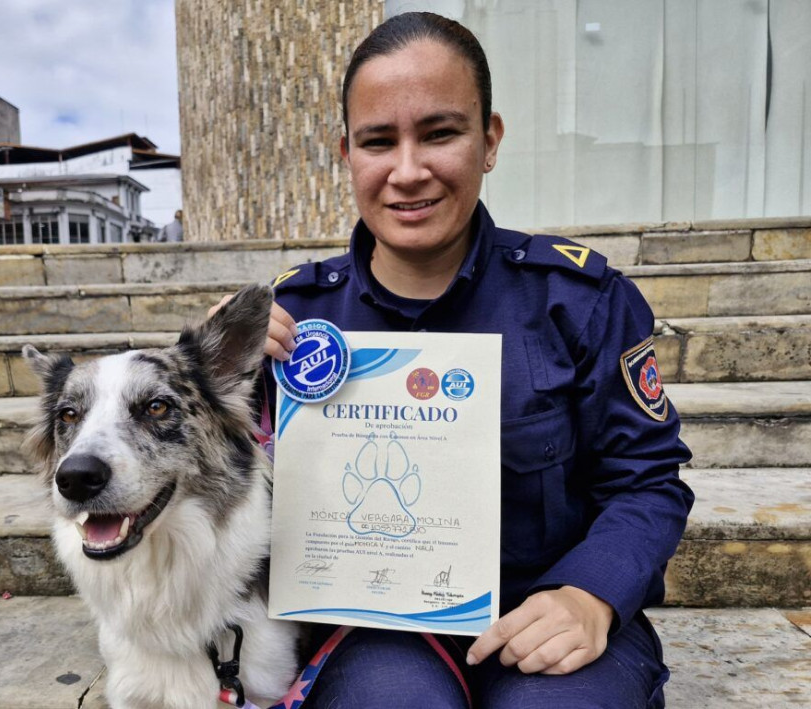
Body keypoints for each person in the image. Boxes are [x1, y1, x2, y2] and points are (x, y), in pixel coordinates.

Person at [214, 12, 693, 708]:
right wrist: (210, 371)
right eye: (379, 141)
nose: (408, 172)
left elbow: (647, 480)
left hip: (546, 613)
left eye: (439, 133)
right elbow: (213, 493)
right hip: (374, 627)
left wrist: (591, 594)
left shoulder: (578, 302)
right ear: (346, 152)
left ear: (488, 139)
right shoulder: (294, 319)